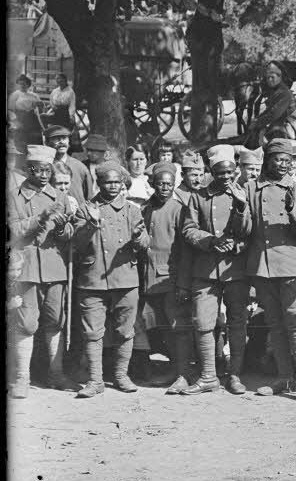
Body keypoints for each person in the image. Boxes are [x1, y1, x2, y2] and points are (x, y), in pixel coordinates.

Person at [243, 139, 296, 406]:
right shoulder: (251, 188)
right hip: (262, 267)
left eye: (288, 160)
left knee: (295, 326)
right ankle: (284, 377)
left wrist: (292, 209)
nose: (284, 164)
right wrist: (242, 208)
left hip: (289, 266)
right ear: (268, 160)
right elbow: (245, 230)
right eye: (279, 159)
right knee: (275, 325)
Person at [70, 161, 150, 398]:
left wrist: (138, 237)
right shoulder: (86, 209)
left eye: (117, 181)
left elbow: (144, 244)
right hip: (92, 280)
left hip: (125, 279)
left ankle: (120, 375)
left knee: (125, 331)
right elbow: (76, 243)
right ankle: (95, 381)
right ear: (99, 183)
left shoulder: (133, 210)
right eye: (107, 181)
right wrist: (91, 225)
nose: (113, 186)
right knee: (92, 332)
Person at [180, 144, 254, 395]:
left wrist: (242, 210)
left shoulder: (243, 193)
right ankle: (209, 376)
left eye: (230, 172)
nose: (225, 177)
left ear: (235, 171)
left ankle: (234, 375)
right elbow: (188, 230)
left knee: (237, 322)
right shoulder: (198, 196)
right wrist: (211, 240)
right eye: (220, 173)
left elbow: (250, 232)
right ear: (212, 171)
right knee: (203, 322)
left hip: (236, 269)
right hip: (206, 269)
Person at [7, 144, 76, 396]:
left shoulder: (59, 196)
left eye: (48, 169)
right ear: (28, 169)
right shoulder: (15, 196)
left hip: (54, 266)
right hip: (25, 267)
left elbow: (70, 234)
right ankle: (22, 378)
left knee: (56, 320)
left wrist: (61, 228)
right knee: (26, 322)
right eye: (39, 169)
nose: (45, 174)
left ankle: (56, 374)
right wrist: (40, 219)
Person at [139, 162, 193, 392]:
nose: (164, 188)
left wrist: (182, 283)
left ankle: (183, 372)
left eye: (169, 185)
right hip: (149, 279)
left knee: (177, 327)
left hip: (170, 279)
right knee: (160, 327)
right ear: (152, 184)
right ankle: (172, 369)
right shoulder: (145, 208)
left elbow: (184, 252)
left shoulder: (179, 210)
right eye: (160, 184)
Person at [251, 61, 296, 143]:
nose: (269, 80)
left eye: (272, 77)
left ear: (280, 77)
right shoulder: (275, 92)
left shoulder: (284, 93)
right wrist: (256, 119)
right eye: (268, 77)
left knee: (266, 140)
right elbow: (269, 110)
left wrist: (257, 122)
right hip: (280, 124)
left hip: (290, 127)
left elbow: (274, 114)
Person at [44, 125, 93, 204]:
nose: (61, 141)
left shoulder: (80, 167)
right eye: (56, 138)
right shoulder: (43, 167)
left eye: (64, 138)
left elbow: (90, 198)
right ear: (47, 142)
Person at [8, 74, 44, 147]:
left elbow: (40, 108)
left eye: (24, 84)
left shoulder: (34, 95)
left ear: (28, 85)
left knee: (35, 139)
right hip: (20, 118)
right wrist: (15, 121)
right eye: (20, 84)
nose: (22, 85)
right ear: (18, 84)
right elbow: (10, 110)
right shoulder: (15, 95)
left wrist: (40, 105)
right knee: (22, 140)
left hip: (32, 118)